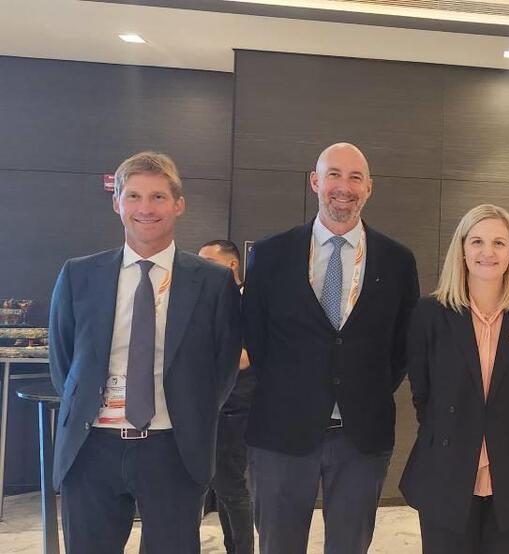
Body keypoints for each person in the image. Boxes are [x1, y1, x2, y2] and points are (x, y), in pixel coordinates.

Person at [48, 151, 242, 553]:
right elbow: (64, 362)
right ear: (117, 203)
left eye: (158, 197)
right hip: (91, 448)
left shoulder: (213, 282)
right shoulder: (79, 275)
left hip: (173, 448)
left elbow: (222, 368)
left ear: (178, 204)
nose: (145, 209)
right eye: (134, 196)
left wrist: (193, 414)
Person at [242, 142, 420, 554]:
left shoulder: (397, 261)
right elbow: (256, 338)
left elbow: (401, 348)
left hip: (361, 438)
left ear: (369, 188)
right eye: (334, 175)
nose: (344, 187)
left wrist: (359, 389)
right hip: (281, 434)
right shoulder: (270, 255)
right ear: (314, 182)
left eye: (356, 177)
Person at [401, 204, 509, 553]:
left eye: (498, 243)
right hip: (447, 470)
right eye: (477, 241)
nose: (487, 252)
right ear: (461, 249)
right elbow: (423, 395)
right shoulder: (430, 313)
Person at [198, 239, 255, 554]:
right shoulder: (210, 300)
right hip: (208, 406)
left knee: (231, 486)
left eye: (208, 262)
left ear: (232, 264)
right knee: (218, 484)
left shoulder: (252, 303)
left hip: (238, 407)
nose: (201, 268)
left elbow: (245, 358)